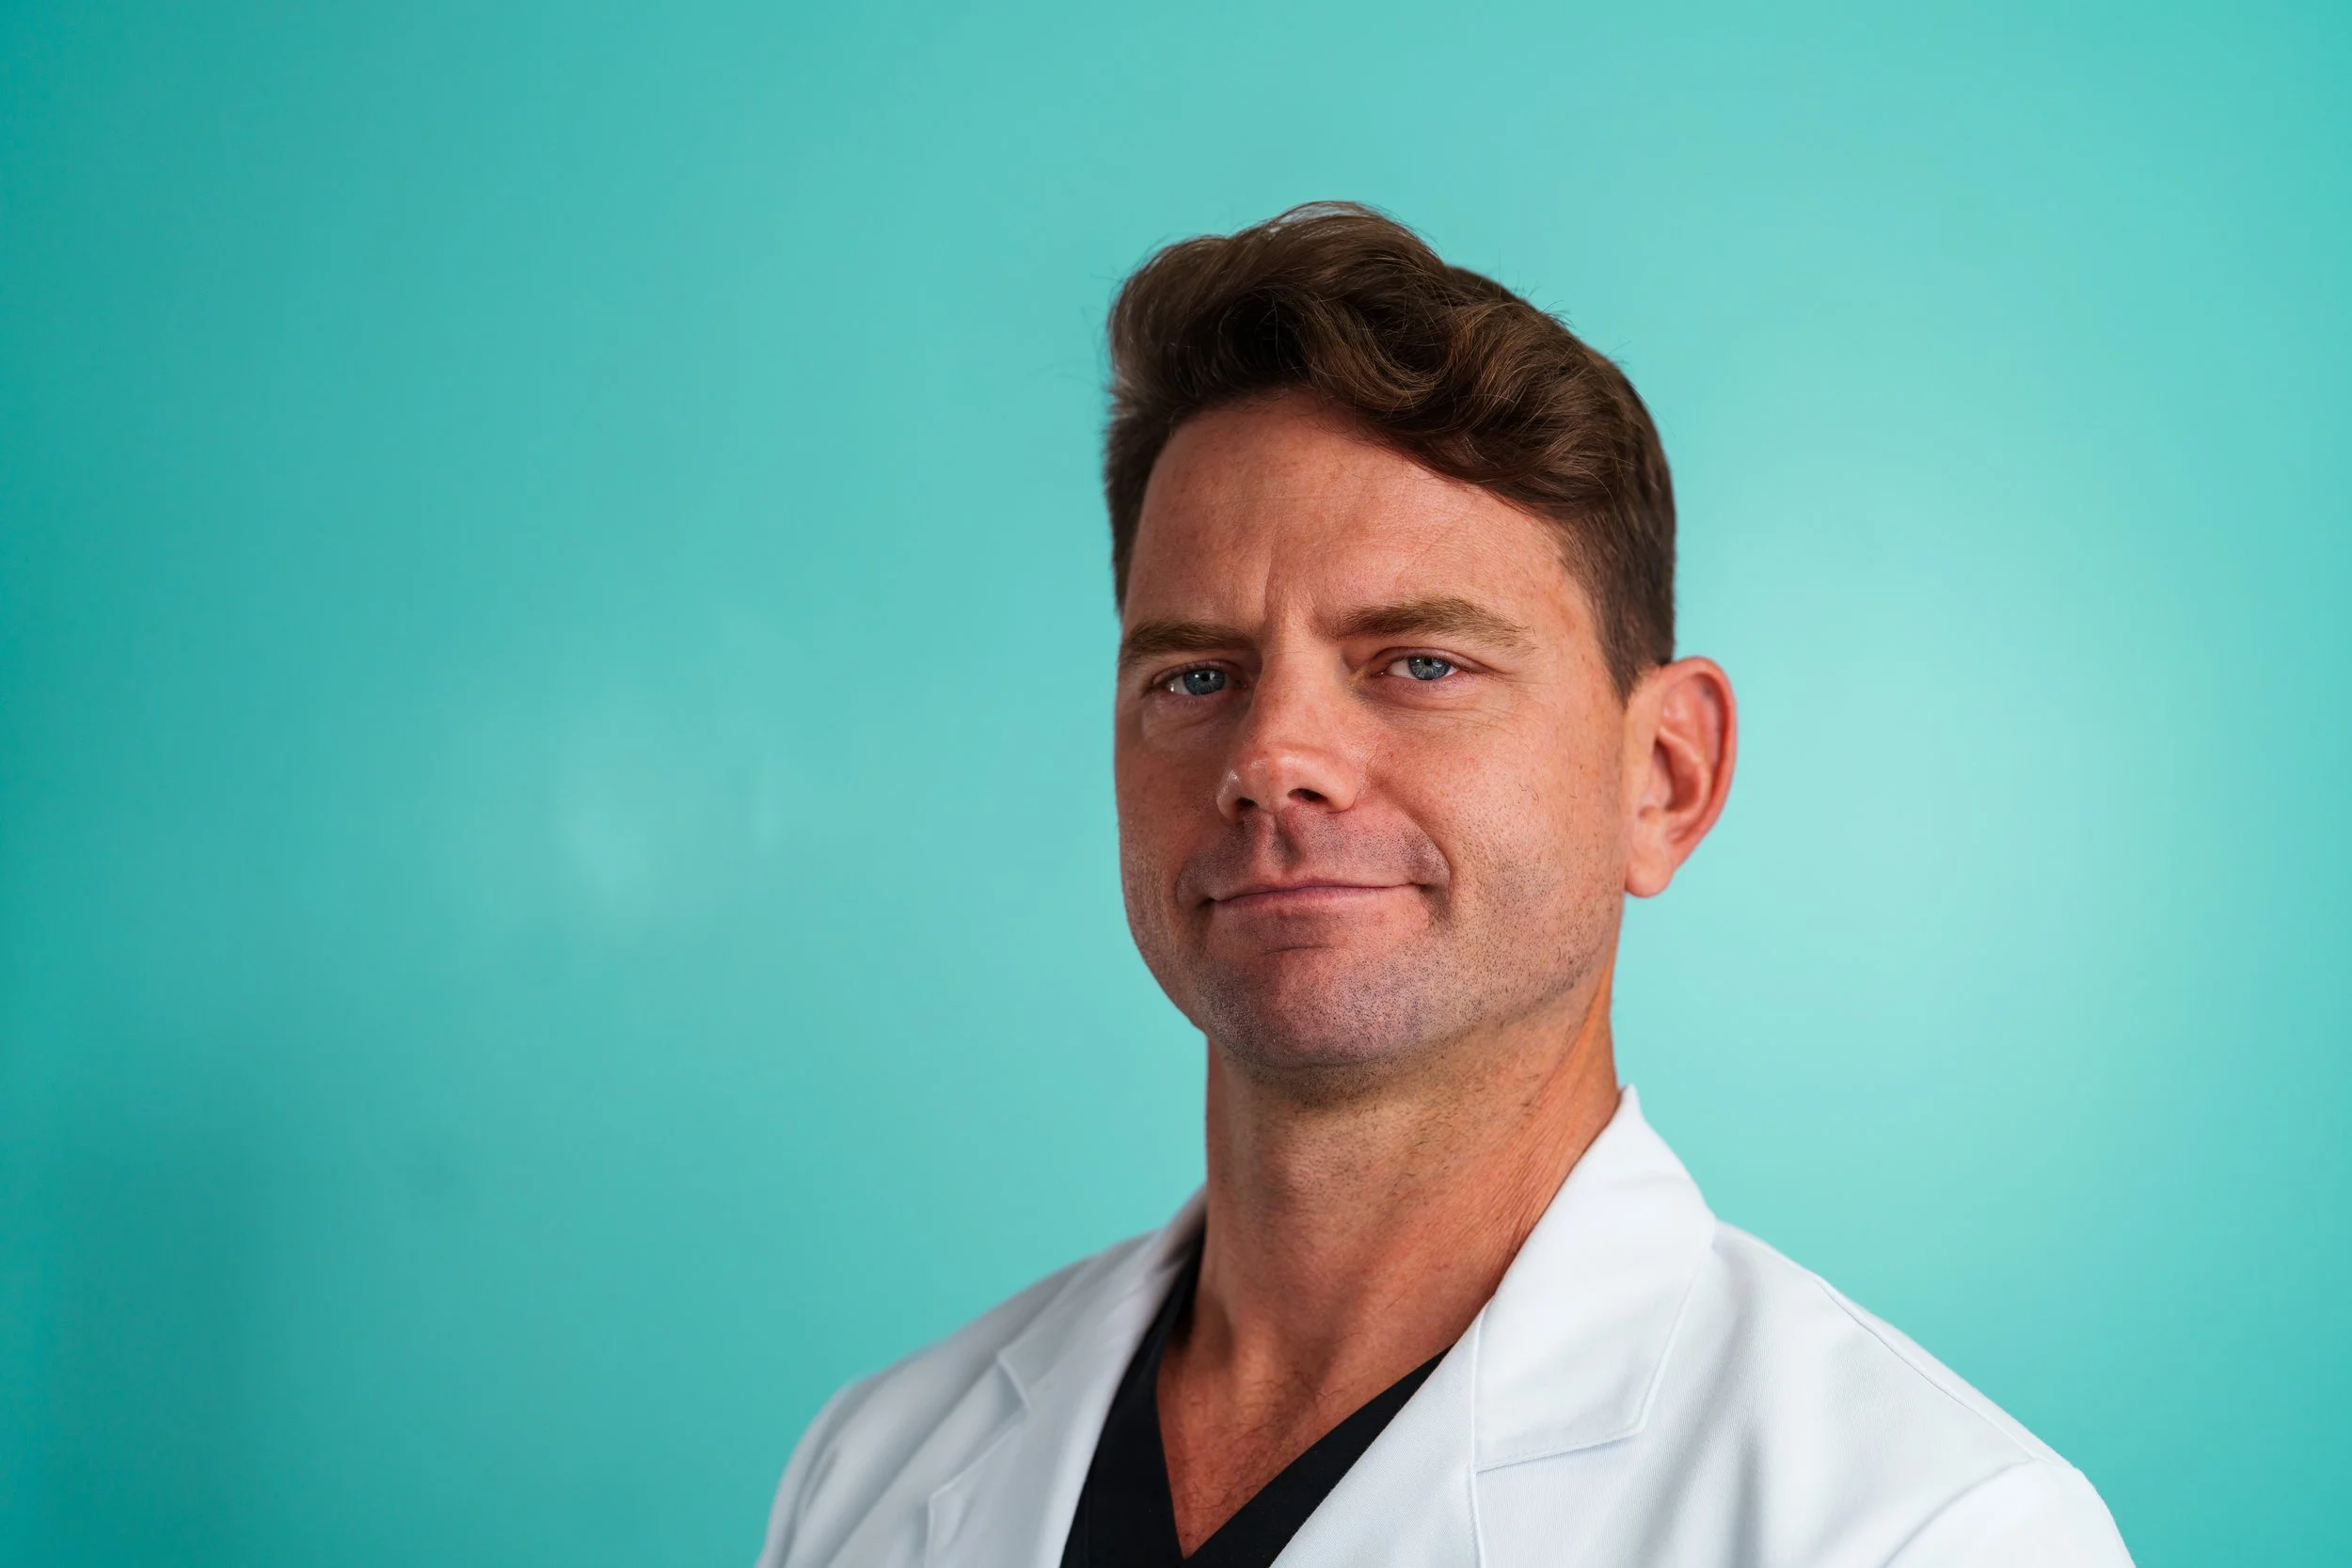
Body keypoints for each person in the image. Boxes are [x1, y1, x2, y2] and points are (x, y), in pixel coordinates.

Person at [754, 204, 2133, 1568]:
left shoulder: (1928, 1530)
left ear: (1664, 778)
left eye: (1421, 662)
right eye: (1195, 676)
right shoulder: (873, 1467)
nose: (1271, 759)